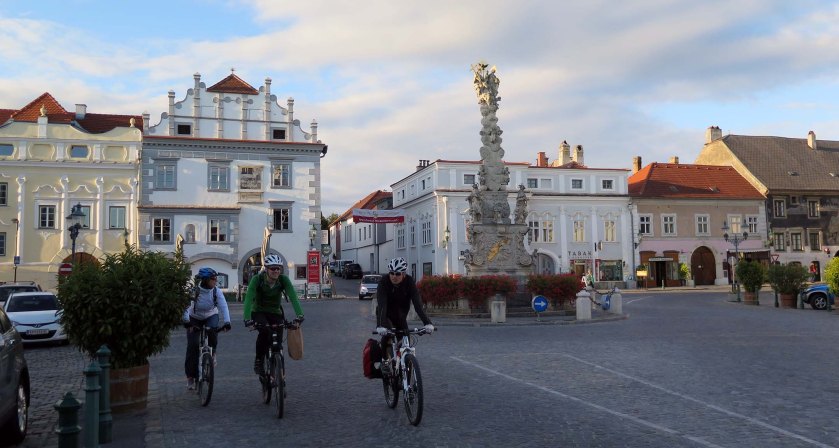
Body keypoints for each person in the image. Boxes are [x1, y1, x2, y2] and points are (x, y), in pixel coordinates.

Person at [243, 254, 304, 375]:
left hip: (275, 312)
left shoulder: (283, 280)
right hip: (259, 312)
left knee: (278, 344)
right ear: (266, 269)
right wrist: (247, 318)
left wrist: (300, 315)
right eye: (273, 268)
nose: (276, 271)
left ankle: (280, 376)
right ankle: (259, 360)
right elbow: (249, 299)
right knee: (265, 332)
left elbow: (293, 297)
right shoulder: (257, 279)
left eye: (278, 268)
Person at [375, 257, 434, 374]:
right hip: (385, 314)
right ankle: (384, 361)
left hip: (401, 316)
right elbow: (382, 305)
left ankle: (405, 365)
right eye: (391, 273)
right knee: (387, 334)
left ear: (404, 274)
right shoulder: (384, 282)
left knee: (405, 340)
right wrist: (380, 325)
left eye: (397, 274)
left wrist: (427, 323)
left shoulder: (409, 282)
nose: (394, 276)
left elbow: (418, 305)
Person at [183, 267, 231, 390]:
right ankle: (190, 377)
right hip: (195, 317)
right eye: (213, 279)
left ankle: (213, 352)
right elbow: (186, 306)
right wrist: (187, 321)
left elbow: (223, 306)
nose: (216, 281)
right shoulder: (194, 290)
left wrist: (227, 322)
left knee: (213, 331)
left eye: (216, 278)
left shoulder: (216, 291)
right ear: (205, 280)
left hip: (211, 315)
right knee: (192, 345)